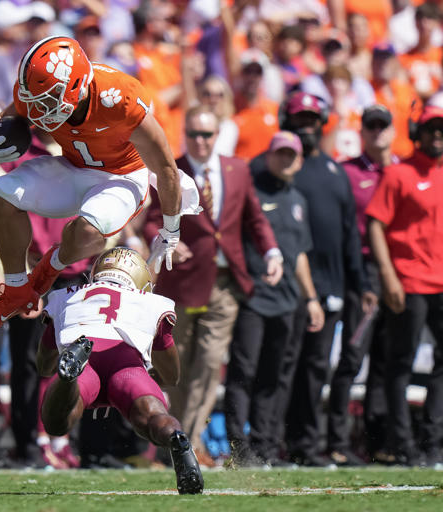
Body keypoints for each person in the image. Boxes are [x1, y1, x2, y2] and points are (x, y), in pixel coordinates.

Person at [0, 36, 198, 335]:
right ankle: (15, 290)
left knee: (89, 228)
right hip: (73, 167)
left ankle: (50, 267)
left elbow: (166, 167)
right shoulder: (39, 90)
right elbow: (6, 117)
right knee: (2, 192)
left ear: (76, 86)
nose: (38, 111)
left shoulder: (120, 98)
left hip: (123, 175)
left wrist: (171, 229)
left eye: (48, 101)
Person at [143, 105, 282, 466]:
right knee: (178, 367)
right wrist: (167, 239)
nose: (201, 141)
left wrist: (271, 252)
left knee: (207, 365)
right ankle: (173, 438)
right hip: (182, 283)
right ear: (184, 134)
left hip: (224, 282)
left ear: (216, 135)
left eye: (207, 134)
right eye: (194, 134)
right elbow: (151, 219)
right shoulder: (170, 169)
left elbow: (254, 218)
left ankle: (187, 443)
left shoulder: (237, 169)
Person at [261, 91, 377, 466]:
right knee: (281, 367)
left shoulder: (334, 172)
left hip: (328, 287)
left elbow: (349, 235)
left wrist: (360, 285)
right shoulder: (273, 170)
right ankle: (270, 442)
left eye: (312, 119)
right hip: (282, 286)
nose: (306, 125)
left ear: (322, 122)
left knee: (315, 368)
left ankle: (307, 445)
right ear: (286, 121)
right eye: (300, 119)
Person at [37, 247, 203, 494]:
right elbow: (171, 376)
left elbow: (43, 365)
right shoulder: (151, 303)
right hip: (125, 365)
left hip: (86, 360)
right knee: (151, 416)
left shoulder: (66, 296)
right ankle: (176, 438)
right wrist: (150, 375)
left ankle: (68, 379)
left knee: (57, 423)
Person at [223, 131, 324, 467]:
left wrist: (311, 298)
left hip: (288, 300)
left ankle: (265, 447)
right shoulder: (251, 192)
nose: (286, 160)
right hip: (253, 297)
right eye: (280, 153)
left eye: (291, 155)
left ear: (299, 160)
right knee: (244, 372)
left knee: (275, 376)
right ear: (268, 155)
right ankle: (239, 447)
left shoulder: (298, 199)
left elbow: (300, 256)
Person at [366, 104, 443, 467]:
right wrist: (388, 275)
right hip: (410, 282)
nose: (437, 135)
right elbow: (376, 225)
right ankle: (403, 444)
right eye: (431, 129)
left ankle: (433, 439)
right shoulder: (399, 173)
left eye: (441, 128)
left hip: (440, 283)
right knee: (399, 363)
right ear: (417, 133)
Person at [326, 105, 398, 465]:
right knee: (353, 357)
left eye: (383, 125)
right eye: (371, 125)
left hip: (401, 272)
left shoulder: (401, 170)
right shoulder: (348, 172)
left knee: (387, 360)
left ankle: (378, 441)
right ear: (362, 130)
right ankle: (338, 441)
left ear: (393, 130)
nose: (377, 132)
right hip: (363, 271)